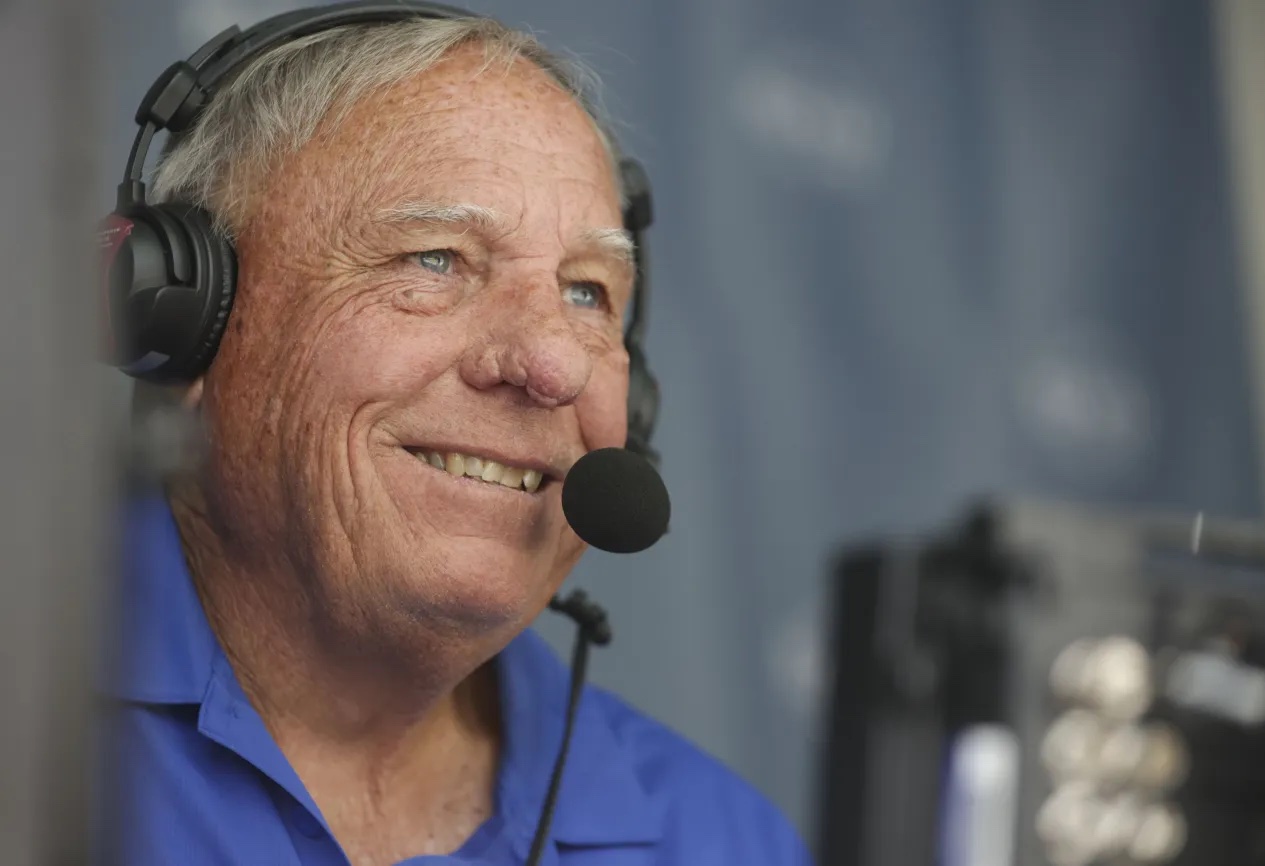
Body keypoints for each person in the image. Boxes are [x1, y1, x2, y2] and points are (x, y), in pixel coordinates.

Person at [99, 5, 811, 866]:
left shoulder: (724, 843)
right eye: (435, 259)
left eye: (587, 293)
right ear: (185, 323)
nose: (554, 366)